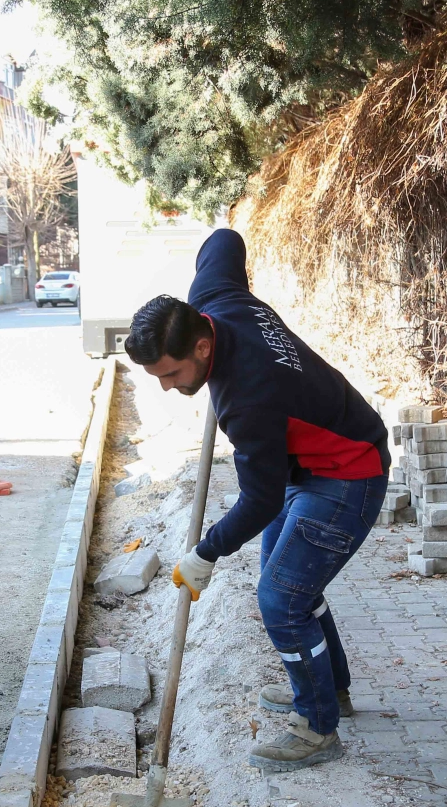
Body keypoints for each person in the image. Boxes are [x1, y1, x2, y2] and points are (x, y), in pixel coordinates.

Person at [125, 228, 389, 773]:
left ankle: (317, 728)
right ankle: (328, 689)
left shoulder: (248, 400)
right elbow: (223, 240)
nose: (168, 388)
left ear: (202, 346)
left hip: (349, 472)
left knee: (281, 598)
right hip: (312, 464)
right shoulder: (215, 301)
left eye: (171, 374)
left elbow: (261, 499)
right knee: (289, 580)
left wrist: (206, 551)